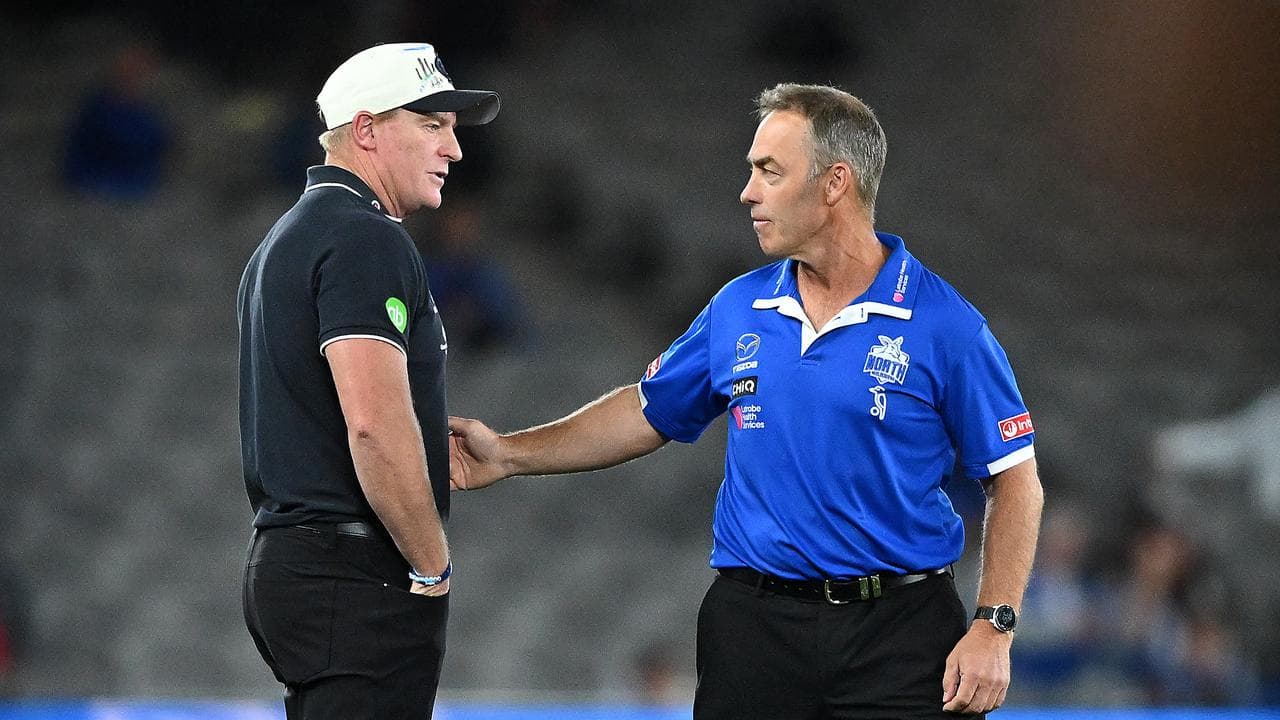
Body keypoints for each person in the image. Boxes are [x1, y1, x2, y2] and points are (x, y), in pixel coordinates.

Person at [449, 83, 1043, 718]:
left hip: (901, 636)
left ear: (834, 183)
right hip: (754, 634)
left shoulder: (947, 325)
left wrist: (995, 625)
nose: (748, 192)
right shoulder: (737, 306)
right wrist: (509, 454)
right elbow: (645, 411)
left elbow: (1016, 481)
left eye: (769, 171)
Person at [237, 42, 499, 719]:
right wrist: (432, 566)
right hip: (351, 570)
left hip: (302, 563)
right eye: (432, 124)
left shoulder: (286, 239)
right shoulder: (365, 238)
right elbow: (373, 426)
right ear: (366, 130)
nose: (454, 149)